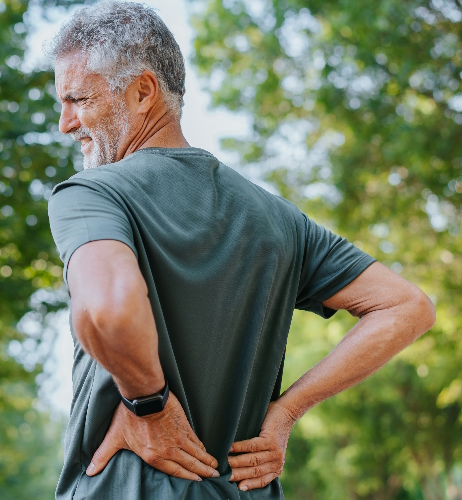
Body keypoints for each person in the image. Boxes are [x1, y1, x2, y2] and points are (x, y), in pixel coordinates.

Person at [46, 2, 436, 499]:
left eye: (78, 99)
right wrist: (285, 412)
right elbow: (408, 306)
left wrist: (150, 406)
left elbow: (108, 308)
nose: (66, 123)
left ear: (143, 91)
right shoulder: (280, 219)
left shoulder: (92, 195)